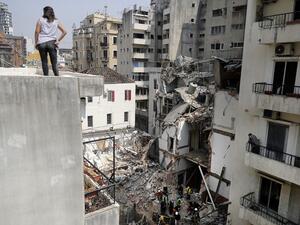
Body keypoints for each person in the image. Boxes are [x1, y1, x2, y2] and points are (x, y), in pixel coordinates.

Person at [35, 6, 67, 76]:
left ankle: (46, 77)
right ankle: (57, 77)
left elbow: (37, 32)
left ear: (45, 12)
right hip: (52, 43)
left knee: (44, 62)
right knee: (54, 63)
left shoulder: (40, 20)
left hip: (42, 43)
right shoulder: (56, 21)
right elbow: (64, 32)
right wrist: (58, 40)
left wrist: (36, 42)